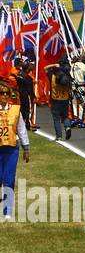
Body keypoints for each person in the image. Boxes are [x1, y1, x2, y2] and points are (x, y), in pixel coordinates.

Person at [0, 82, 31, 220]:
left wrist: (26, 147)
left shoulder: (15, 110)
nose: (5, 96)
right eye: (2, 93)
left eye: (7, 93)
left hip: (11, 148)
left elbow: (21, 129)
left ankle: (7, 210)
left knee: (9, 179)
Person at [47, 59, 73, 140]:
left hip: (55, 99)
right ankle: (67, 127)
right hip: (65, 99)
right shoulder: (67, 78)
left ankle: (59, 136)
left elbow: (46, 68)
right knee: (65, 116)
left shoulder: (52, 77)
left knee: (56, 118)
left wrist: (54, 65)